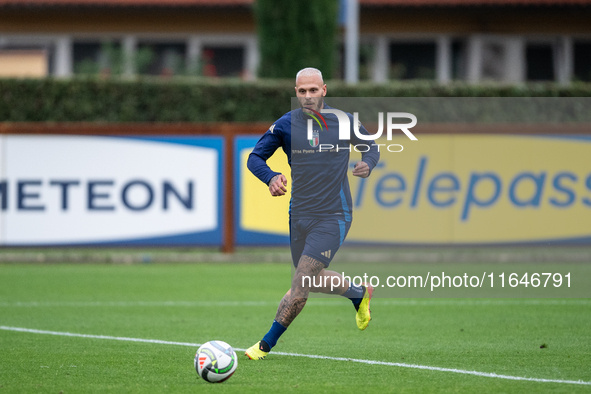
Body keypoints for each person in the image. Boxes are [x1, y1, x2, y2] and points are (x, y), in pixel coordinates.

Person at [245, 67, 380, 360]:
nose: (308, 96)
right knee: (313, 279)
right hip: (300, 215)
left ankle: (265, 345)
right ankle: (358, 293)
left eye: (313, 90)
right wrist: (269, 177)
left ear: (324, 90)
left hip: (334, 215)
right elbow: (255, 158)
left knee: (302, 280)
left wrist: (367, 163)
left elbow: (371, 147)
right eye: (302, 91)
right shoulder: (285, 124)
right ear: (296, 92)